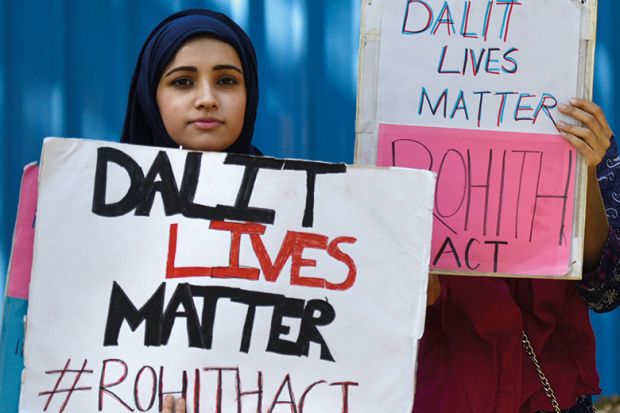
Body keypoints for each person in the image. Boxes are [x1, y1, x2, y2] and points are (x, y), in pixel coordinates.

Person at [415, 100, 617, 413]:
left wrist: (586, 171)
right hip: (449, 388)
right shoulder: (409, 104)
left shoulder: (575, 117)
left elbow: (605, 294)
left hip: (551, 394)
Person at [120, 8, 262, 413]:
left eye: (227, 81)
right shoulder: (94, 212)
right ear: (151, 94)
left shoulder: (297, 210)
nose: (207, 99)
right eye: (183, 82)